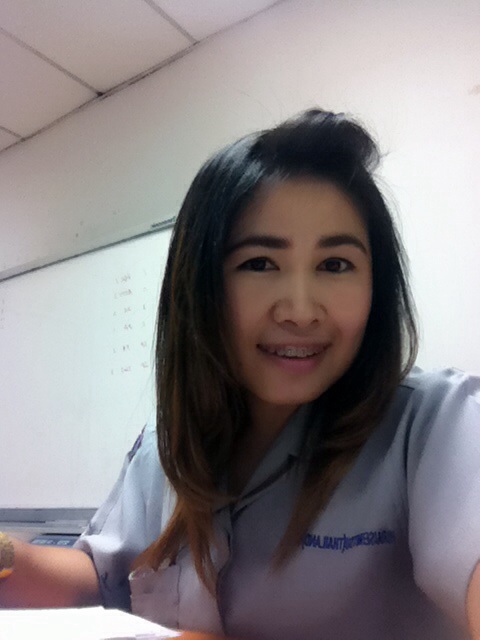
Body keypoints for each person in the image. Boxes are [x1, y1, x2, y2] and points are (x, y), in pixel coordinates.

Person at [1, 109, 479, 640]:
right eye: (260, 263)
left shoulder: (436, 426)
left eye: (335, 265)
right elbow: (99, 578)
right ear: (201, 285)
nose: (300, 310)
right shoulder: (166, 448)